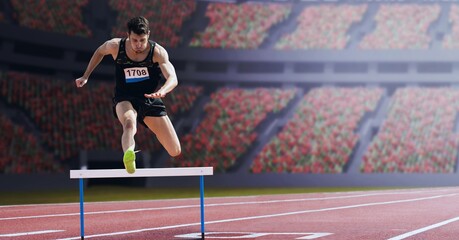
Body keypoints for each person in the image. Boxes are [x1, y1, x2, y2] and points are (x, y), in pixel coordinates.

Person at [75, 16, 181, 174]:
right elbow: (99, 51)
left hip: (149, 99)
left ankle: (136, 147)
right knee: (129, 123)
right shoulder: (116, 46)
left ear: (149, 35)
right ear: (128, 35)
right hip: (124, 98)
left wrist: (163, 90)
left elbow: (173, 77)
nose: (138, 45)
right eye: (135, 40)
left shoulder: (157, 52)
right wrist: (86, 75)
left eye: (142, 40)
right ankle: (129, 155)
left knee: (175, 150)